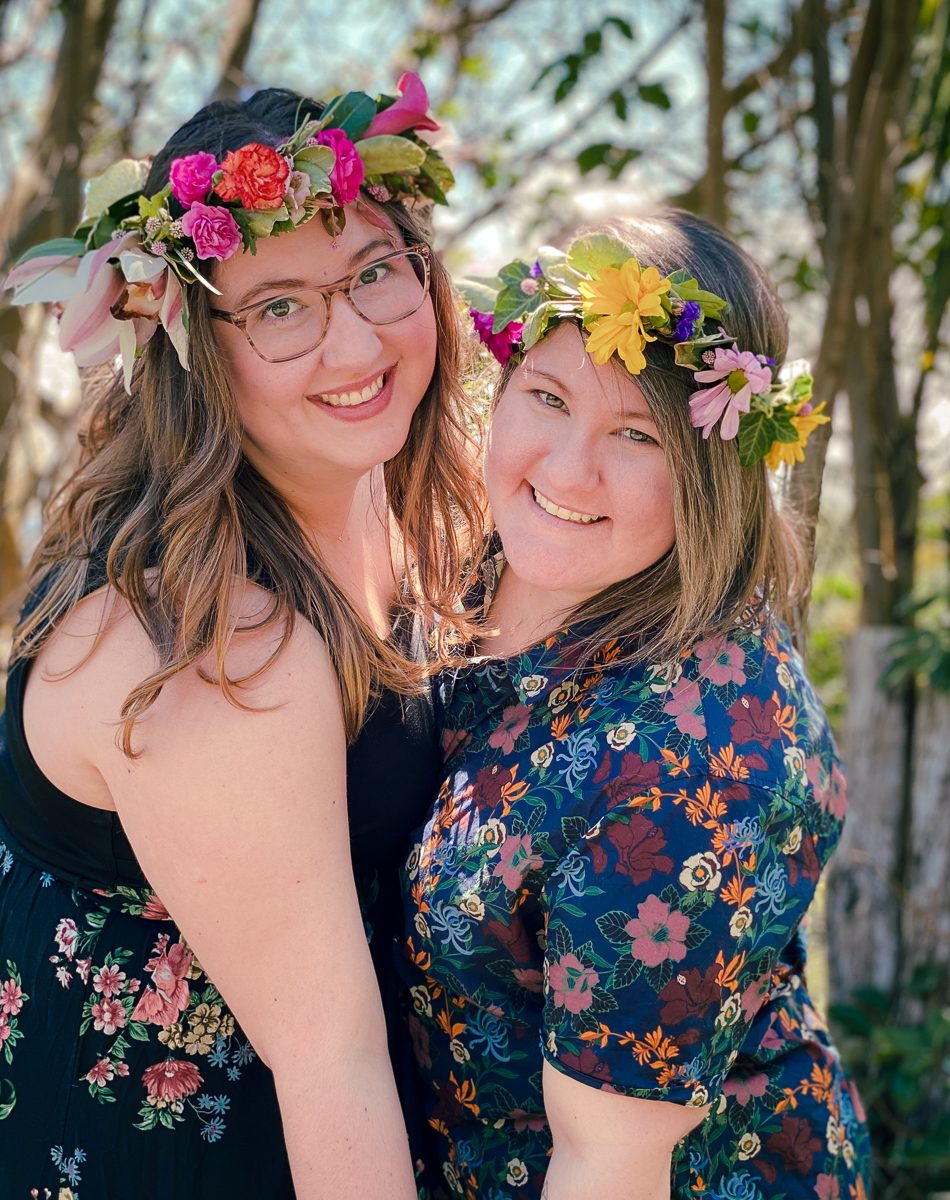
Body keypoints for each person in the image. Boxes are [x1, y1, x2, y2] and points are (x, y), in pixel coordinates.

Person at [0, 75, 481, 1198]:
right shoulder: (201, 637)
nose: (352, 341)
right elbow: (330, 1061)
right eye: (277, 308)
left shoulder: (380, 501)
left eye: (372, 273)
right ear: (191, 345)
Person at [399, 212, 871, 1200]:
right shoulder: (472, 573)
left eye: (635, 432)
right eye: (546, 396)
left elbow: (607, 1168)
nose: (568, 469)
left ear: (710, 471)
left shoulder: (704, 749)